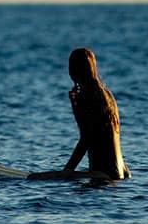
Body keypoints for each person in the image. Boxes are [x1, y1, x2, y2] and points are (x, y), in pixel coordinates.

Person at [28, 47, 131, 181]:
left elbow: (86, 138)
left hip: (102, 175)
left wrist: (67, 170)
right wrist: (76, 107)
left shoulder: (87, 96)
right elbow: (97, 132)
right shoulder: (107, 95)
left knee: (33, 178)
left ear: (72, 71)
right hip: (120, 172)